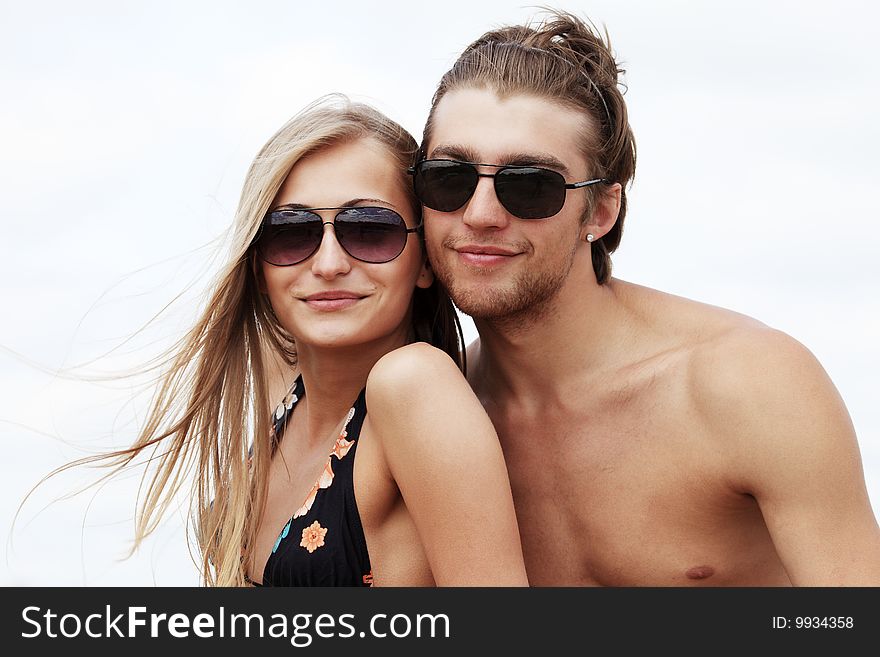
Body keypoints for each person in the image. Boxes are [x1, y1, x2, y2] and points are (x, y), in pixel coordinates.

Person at [413, 11, 880, 585]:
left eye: (530, 185)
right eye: (448, 178)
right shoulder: (432, 420)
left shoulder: (748, 384)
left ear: (602, 212)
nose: (481, 215)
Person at [78, 95, 528, 587]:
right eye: (291, 234)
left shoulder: (414, 387)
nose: (329, 264)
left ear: (424, 261)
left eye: (370, 230)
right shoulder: (278, 388)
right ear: (258, 262)